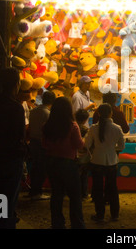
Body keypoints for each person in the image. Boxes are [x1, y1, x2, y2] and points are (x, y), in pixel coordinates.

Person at [0, 67, 27, 229]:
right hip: (10, 161)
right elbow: (19, 136)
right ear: (16, 84)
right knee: (7, 199)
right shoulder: (15, 108)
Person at [42, 96, 85, 229]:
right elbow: (79, 145)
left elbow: (44, 144)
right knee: (75, 196)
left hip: (51, 162)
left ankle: (57, 223)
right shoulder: (72, 126)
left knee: (56, 194)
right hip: (68, 164)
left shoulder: (47, 126)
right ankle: (77, 224)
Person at [85, 103, 125, 222]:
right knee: (112, 188)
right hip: (112, 162)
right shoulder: (117, 128)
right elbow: (121, 147)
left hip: (97, 161)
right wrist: (112, 149)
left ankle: (100, 215)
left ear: (98, 113)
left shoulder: (93, 128)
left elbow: (86, 145)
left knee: (97, 189)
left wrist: (94, 151)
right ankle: (114, 215)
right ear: (111, 113)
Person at [27, 90, 56, 200]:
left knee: (35, 167)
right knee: (41, 168)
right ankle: (37, 192)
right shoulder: (47, 113)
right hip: (42, 143)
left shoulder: (34, 111)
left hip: (33, 141)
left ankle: (33, 190)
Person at [75, 108, 90, 199]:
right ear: (85, 120)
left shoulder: (72, 127)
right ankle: (84, 194)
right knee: (84, 175)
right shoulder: (85, 129)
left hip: (73, 155)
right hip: (84, 156)